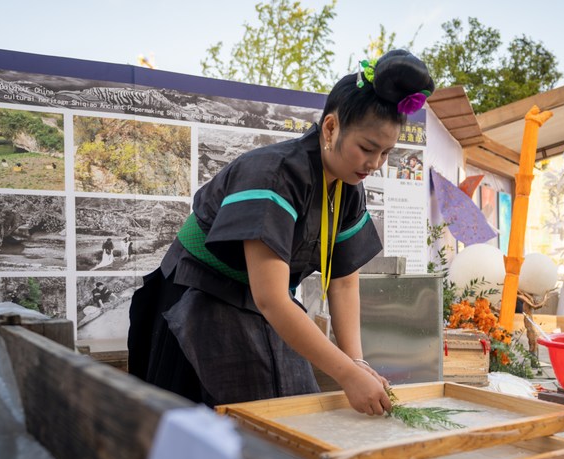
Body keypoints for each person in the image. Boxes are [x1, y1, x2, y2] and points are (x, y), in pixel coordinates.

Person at [128, 50, 435, 415]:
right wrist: (347, 376)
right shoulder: (273, 175)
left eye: (385, 153)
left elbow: (344, 282)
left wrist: (355, 363)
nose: (374, 164)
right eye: (367, 148)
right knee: (228, 426)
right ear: (331, 127)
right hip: (201, 298)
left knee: (292, 408)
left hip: (264, 303)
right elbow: (271, 298)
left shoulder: (350, 190)